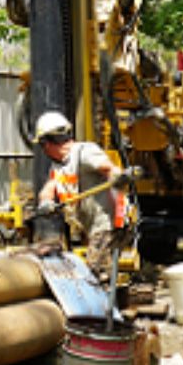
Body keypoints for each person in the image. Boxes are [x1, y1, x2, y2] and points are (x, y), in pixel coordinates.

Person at [32, 111, 134, 275]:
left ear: (47, 143)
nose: (43, 150)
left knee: (95, 271)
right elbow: (49, 188)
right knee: (100, 272)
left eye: (42, 145)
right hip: (90, 225)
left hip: (109, 222)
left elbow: (109, 168)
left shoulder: (84, 152)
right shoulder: (59, 165)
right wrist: (46, 203)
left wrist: (118, 178)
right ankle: (112, 297)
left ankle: (105, 298)